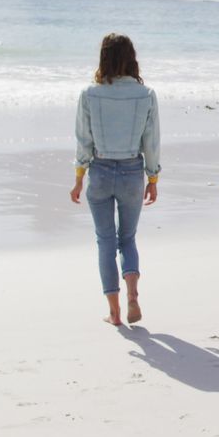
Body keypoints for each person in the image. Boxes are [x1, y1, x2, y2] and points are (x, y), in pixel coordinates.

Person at [70, 33, 161, 326]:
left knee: (105, 241)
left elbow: (83, 140)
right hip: (132, 172)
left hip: (99, 172)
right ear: (132, 58)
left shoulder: (89, 94)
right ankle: (133, 295)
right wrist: (153, 177)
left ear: (104, 58)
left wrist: (78, 176)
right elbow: (152, 141)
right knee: (128, 238)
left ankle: (114, 312)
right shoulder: (145, 95)